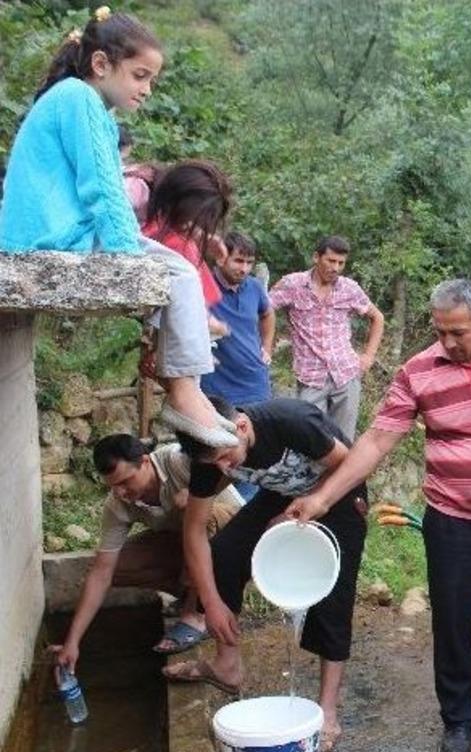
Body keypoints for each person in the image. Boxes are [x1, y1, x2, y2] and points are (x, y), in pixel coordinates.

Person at [286, 279, 471, 752]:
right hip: (454, 525)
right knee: (454, 626)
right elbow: (377, 441)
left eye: (458, 332)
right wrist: (321, 498)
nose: (447, 342)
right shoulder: (418, 371)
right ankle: (460, 720)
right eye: (440, 332)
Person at [0, 8, 236, 449]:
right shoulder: (81, 99)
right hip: (55, 239)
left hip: (47, 234)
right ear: (102, 65)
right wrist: (129, 256)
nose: (146, 90)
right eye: (139, 75)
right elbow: (102, 190)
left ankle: (189, 391)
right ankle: (186, 395)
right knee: (181, 275)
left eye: (151, 80)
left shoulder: (79, 103)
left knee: (178, 275)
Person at [164, 396, 368, 752]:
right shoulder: (210, 456)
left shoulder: (290, 421)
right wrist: (210, 603)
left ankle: (328, 711)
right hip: (281, 495)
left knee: (332, 600)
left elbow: (349, 466)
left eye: (228, 459)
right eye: (216, 465)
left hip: (338, 492)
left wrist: (310, 508)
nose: (225, 470)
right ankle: (227, 666)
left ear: (241, 428)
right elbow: (194, 531)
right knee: (226, 553)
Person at [50, 435, 241, 674]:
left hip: (232, 535)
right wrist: (72, 642)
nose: (121, 492)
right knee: (115, 568)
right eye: (113, 486)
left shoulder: (178, 460)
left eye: (126, 481)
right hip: (184, 543)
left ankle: (195, 615)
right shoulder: (117, 504)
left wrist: (195, 495)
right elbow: (101, 573)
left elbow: (236, 458)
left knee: (188, 507)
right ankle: (189, 594)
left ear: (145, 461)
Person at [269, 236, 385, 441]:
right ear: (316, 257)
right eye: (331, 261)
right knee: (311, 439)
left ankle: (339, 475)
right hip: (310, 377)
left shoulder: (349, 288)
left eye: (341, 263)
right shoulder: (292, 284)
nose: (336, 268)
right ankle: (311, 474)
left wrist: (368, 356)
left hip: (346, 374)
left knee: (343, 440)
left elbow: (377, 317)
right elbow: (264, 309)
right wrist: (267, 346)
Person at [200, 231, 274, 501]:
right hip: (218, 389)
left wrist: (267, 347)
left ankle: (248, 514)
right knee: (218, 456)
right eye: (238, 261)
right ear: (221, 258)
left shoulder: (254, 287)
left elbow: (267, 314)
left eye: (249, 262)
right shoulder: (203, 285)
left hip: (256, 386)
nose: (244, 269)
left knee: (255, 455)